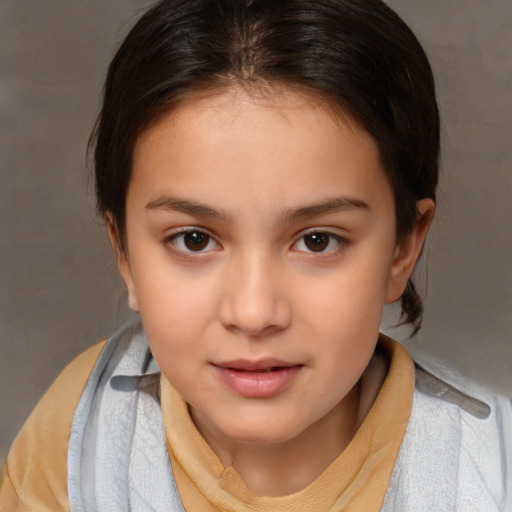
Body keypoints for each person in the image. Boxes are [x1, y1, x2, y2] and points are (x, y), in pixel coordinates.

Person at [1, 0, 510, 510]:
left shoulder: (492, 470)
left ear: (403, 247)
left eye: (318, 240)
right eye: (194, 240)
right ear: (125, 254)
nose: (253, 312)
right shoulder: (79, 439)